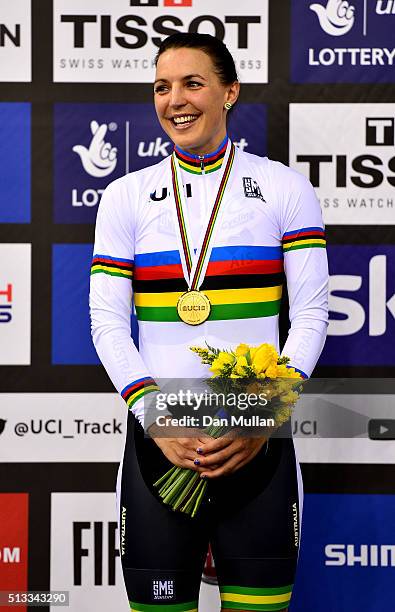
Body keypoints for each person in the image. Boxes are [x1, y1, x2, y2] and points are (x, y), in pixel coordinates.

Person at [89, 32, 328, 612]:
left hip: (257, 447)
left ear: (230, 92)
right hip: (158, 446)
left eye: (193, 83)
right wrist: (154, 417)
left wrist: (264, 412)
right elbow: (107, 322)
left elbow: (313, 313)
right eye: (161, 87)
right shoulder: (125, 197)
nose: (176, 99)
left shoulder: (284, 189)